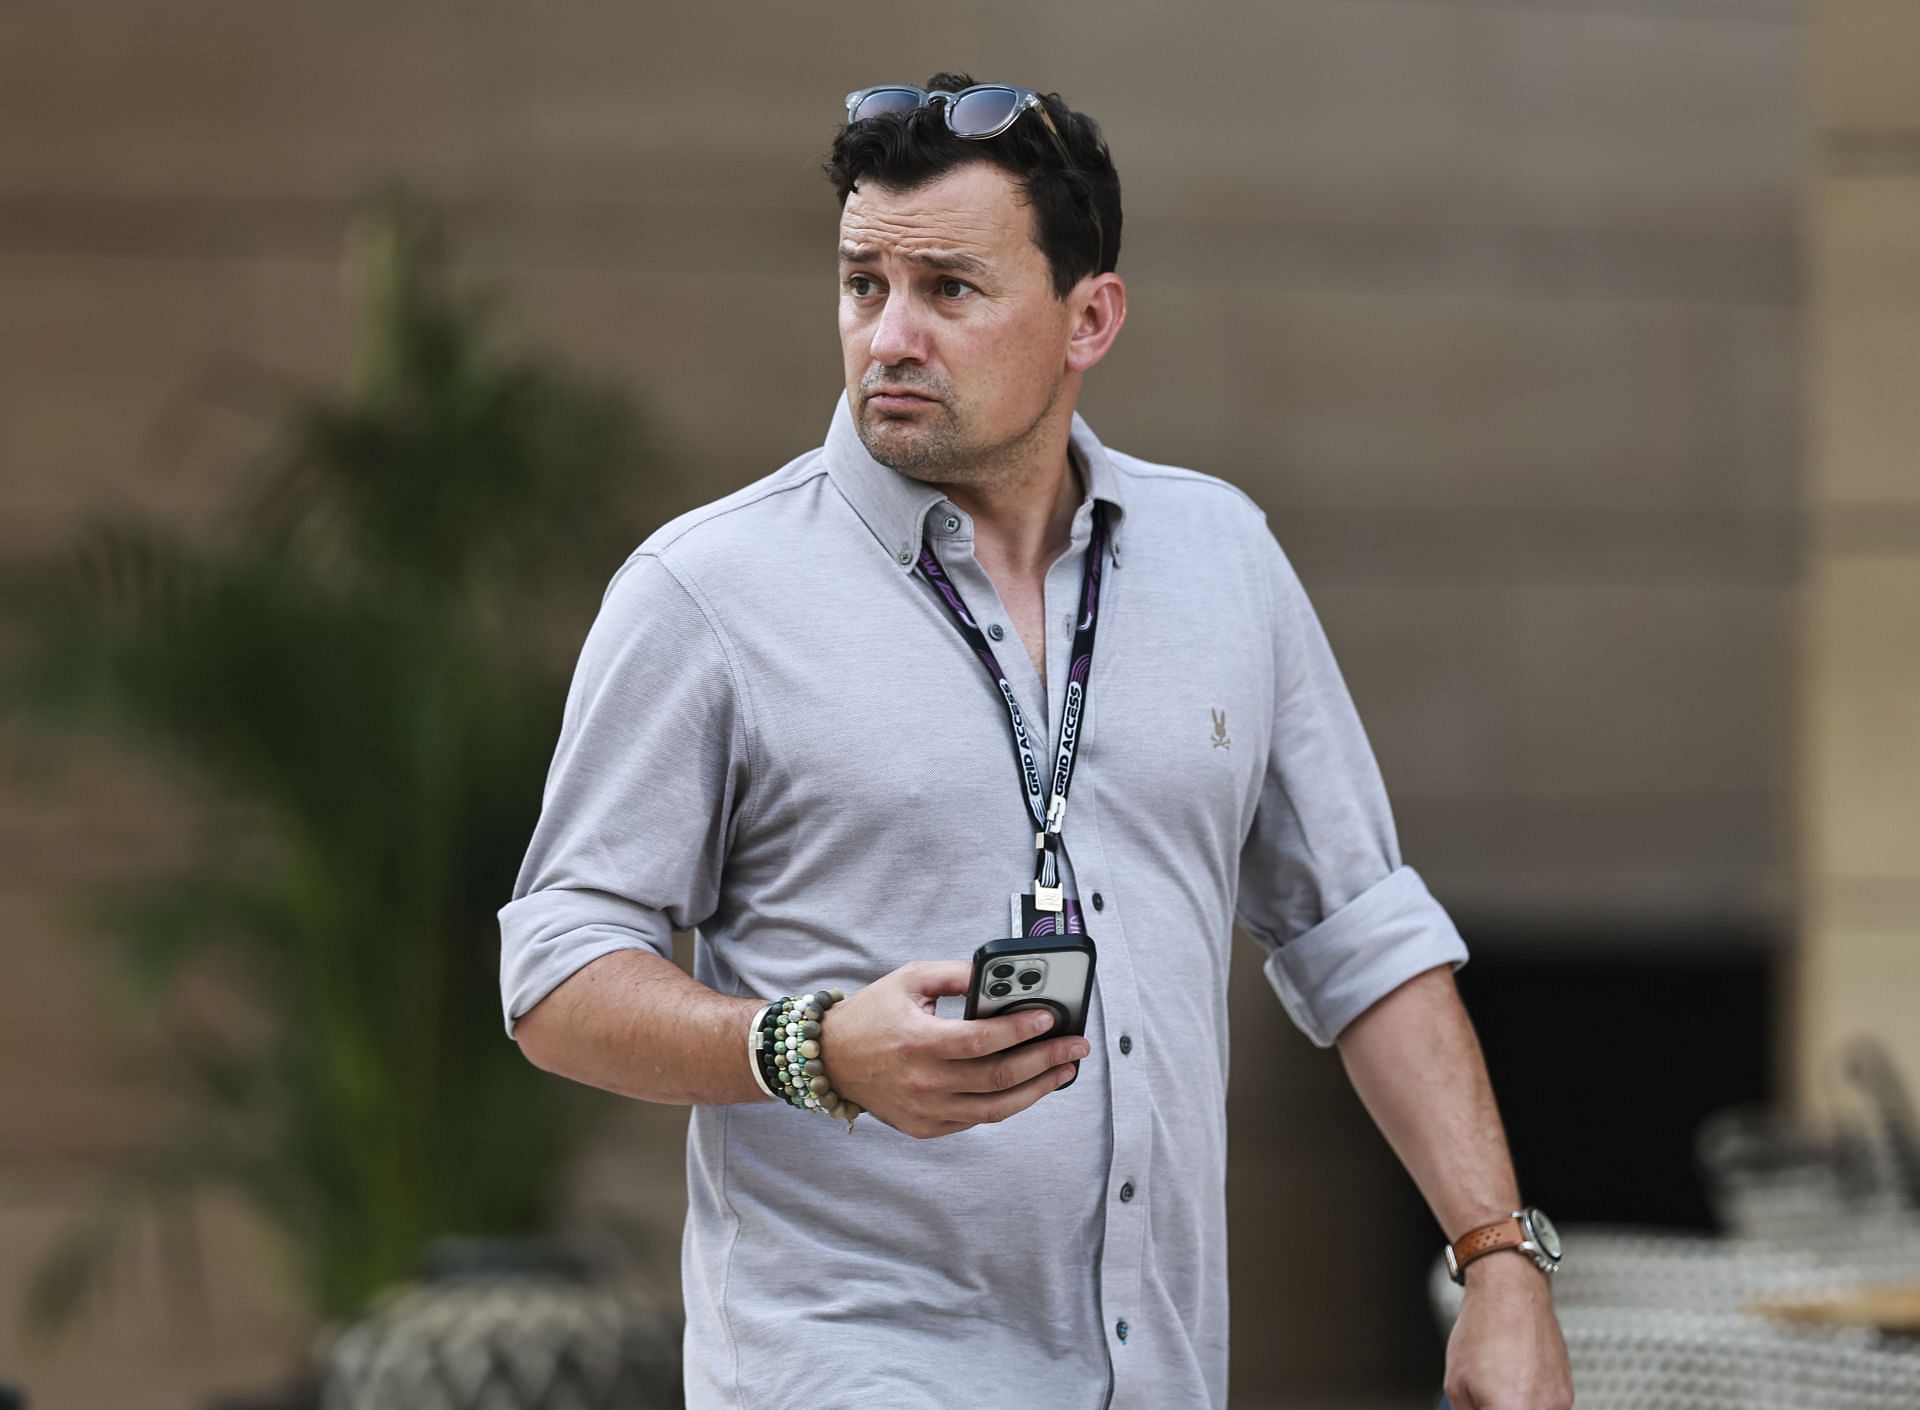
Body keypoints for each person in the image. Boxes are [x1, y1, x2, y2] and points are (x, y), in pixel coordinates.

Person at [499, 72, 1574, 1410]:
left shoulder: (1221, 557)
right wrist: (811, 1047)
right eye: (861, 283)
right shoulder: (707, 593)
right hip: (849, 1368)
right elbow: (553, 971)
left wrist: (1498, 1259)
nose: (890, 334)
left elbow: (1362, 934)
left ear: (1090, 318)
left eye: (948, 288)